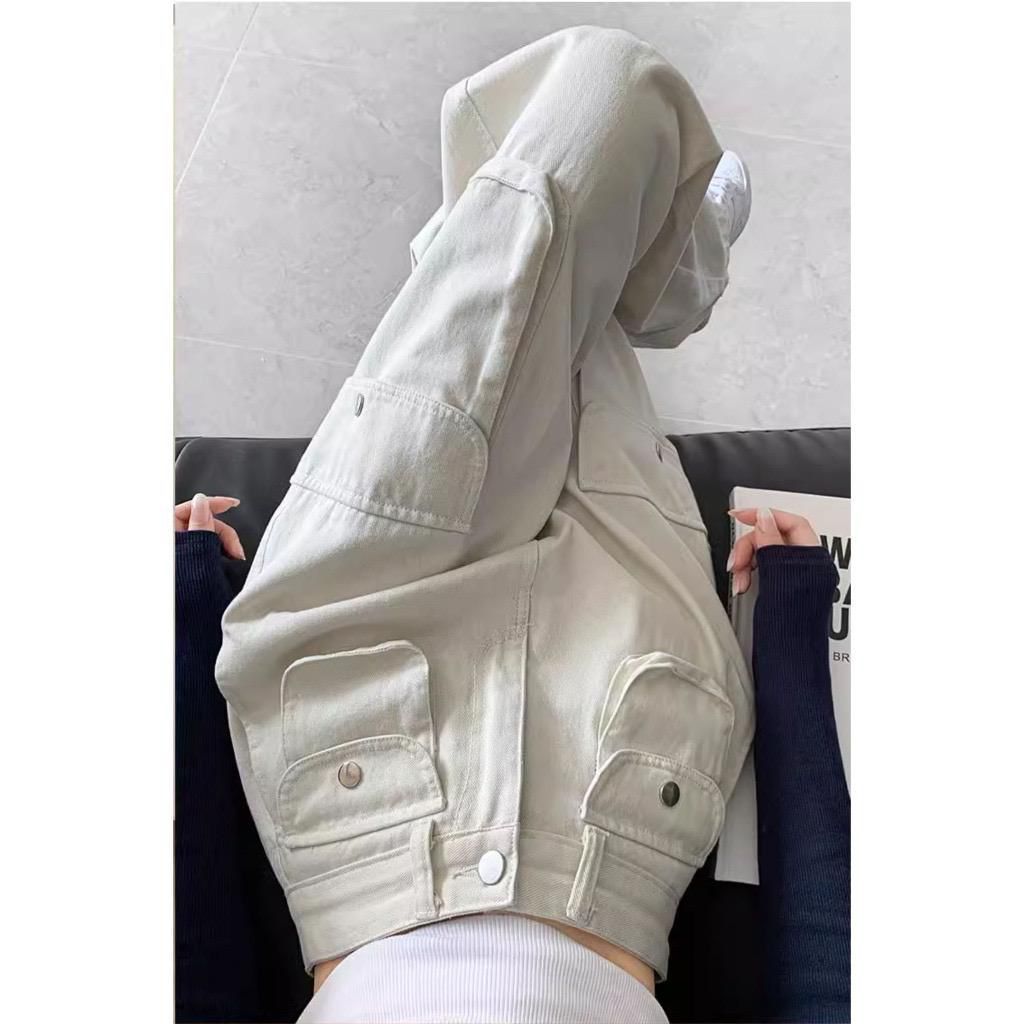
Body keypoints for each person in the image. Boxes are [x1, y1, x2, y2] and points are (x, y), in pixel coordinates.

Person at [176, 25, 849, 1024]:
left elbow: (191, 969)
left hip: (349, 692)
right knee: (571, 252)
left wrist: (184, 608)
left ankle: (643, 245)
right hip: (627, 751)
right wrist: (788, 631)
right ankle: (634, 256)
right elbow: (832, 978)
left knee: (607, 91)